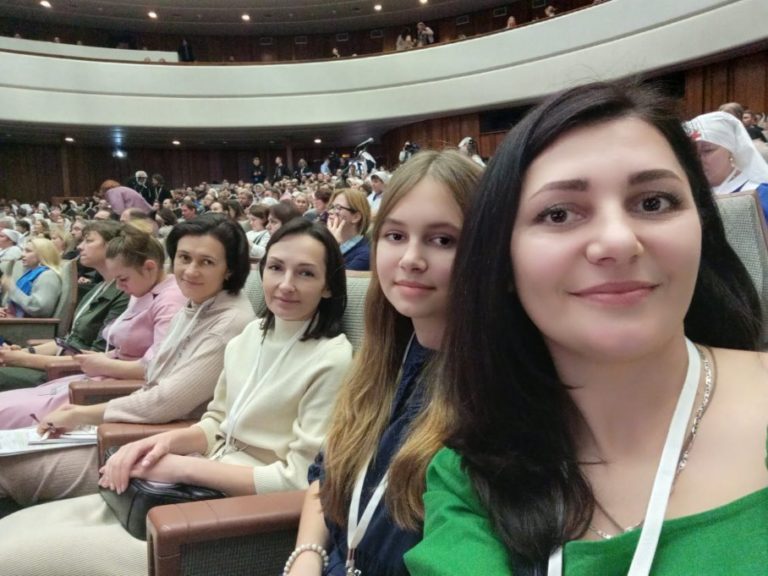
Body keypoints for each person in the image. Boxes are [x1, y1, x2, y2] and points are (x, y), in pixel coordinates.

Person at [404, 82, 767, 575]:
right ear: (502, 260)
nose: (617, 241)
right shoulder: (471, 477)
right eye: (558, 214)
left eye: (654, 203)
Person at [0, 218, 354, 575]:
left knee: (17, 556)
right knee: (16, 530)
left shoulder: (332, 359)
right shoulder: (251, 336)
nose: (286, 284)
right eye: (276, 268)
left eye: (306, 273)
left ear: (328, 286)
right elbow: (216, 422)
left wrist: (182, 466)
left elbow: (301, 479)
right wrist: (157, 445)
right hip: (185, 487)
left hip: (233, 518)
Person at [285, 150, 482, 576]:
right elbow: (325, 472)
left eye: (443, 240)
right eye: (395, 235)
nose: (410, 258)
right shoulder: (384, 356)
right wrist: (306, 557)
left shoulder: (490, 394)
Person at [0, 214, 255, 506]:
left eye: (206, 262)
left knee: (8, 468)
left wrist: (81, 414)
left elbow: (166, 401)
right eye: (184, 258)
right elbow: (153, 373)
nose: (190, 271)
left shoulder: (229, 321)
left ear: (229, 269)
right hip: (139, 425)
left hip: (168, 442)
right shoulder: (194, 306)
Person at [0, 225, 186, 429]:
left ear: (149, 267)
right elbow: (122, 350)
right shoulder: (141, 289)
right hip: (100, 376)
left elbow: (158, 367)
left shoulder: (170, 301)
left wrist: (101, 363)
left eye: (123, 279)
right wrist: (98, 359)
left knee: (7, 411)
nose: (120, 286)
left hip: (117, 390)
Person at [0, 221, 129, 391]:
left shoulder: (124, 293)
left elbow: (98, 357)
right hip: (61, 363)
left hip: (72, 375)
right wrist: (24, 352)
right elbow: (69, 341)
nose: (80, 247)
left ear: (112, 247)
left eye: (89, 241)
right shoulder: (98, 288)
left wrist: (21, 359)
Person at [685, 110, 768, 220]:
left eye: (707, 150)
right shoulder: (687, 192)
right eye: (692, 152)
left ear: (731, 150)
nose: (698, 159)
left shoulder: (760, 195)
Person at [0, 238, 62, 319]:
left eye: (28, 251)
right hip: (15, 320)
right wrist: (4, 310)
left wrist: (12, 288)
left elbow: (39, 309)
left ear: (42, 255)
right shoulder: (30, 274)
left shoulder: (48, 276)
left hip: (27, 325)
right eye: (23, 250)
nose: (22, 254)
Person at [327, 188, 372, 271]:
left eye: (338, 207)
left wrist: (332, 246)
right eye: (332, 207)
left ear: (356, 217)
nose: (330, 211)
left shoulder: (365, 256)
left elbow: (331, 277)